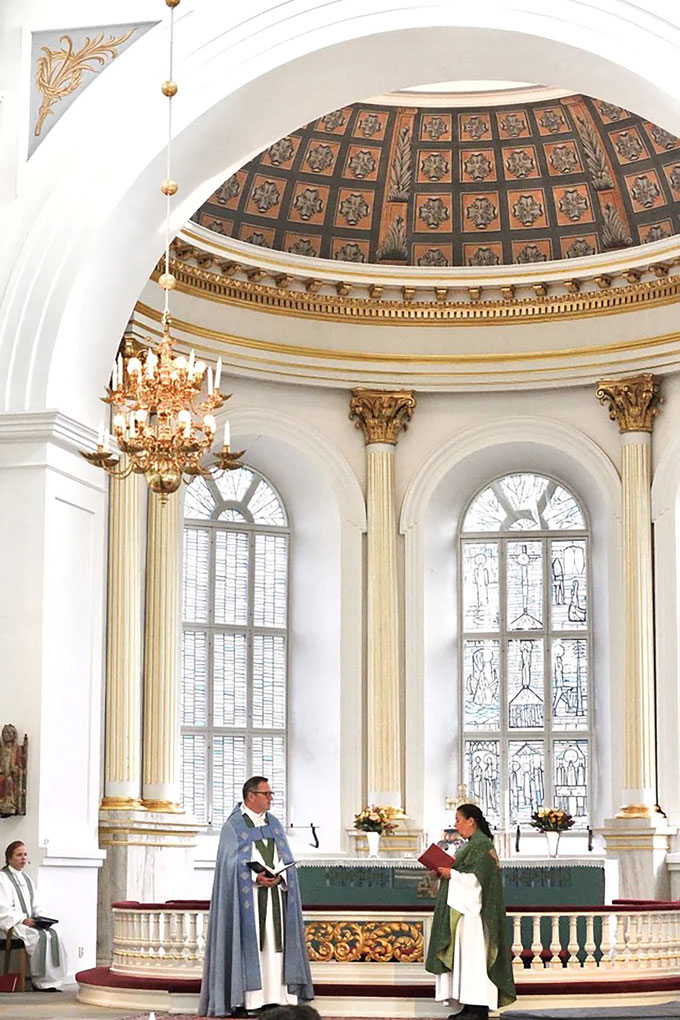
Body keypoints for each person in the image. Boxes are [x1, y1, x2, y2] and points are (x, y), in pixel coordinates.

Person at [199, 776, 314, 1018]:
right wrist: (254, 877)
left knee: (275, 945)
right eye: (267, 794)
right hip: (248, 902)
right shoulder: (233, 827)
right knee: (255, 946)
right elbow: (229, 865)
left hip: (275, 898)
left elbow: (285, 856)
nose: (271, 798)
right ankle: (252, 1000)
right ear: (251, 796)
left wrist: (281, 876)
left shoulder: (273, 823)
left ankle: (278, 997)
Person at [425, 803, 516, 1020]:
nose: (456, 825)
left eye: (458, 820)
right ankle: (468, 1005)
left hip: (475, 914)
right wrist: (446, 872)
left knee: (474, 959)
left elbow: (477, 881)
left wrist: (451, 874)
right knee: (465, 959)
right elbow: (464, 872)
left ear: (471, 821)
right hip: (465, 912)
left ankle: (477, 1009)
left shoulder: (481, 845)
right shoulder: (471, 844)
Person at [0, 841, 68, 991]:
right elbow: (2, 908)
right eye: (19, 855)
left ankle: (53, 981)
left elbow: (36, 905)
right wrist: (22, 919)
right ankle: (40, 982)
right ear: (9, 858)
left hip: (30, 922)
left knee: (54, 935)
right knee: (37, 937)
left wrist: (42, 920)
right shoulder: (2, 878)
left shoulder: (26, 879)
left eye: (25, 854)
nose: (23, 858)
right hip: (14, 925)